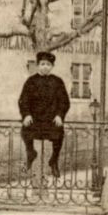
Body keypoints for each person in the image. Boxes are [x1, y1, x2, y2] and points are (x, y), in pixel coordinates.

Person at [17, 51, 70, 179]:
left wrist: (59, 115)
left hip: (51, 120)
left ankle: (54, 160)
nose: (45, 66)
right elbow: (23, 100)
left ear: (52, 66)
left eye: (48, 64)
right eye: (42, 64)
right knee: (25, 131)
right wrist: (26, 115)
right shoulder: (31, 81)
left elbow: (64, 101)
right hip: (35, 119)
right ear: (38, 65)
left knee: (59, 134)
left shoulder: (57, 82)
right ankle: (31, 153)